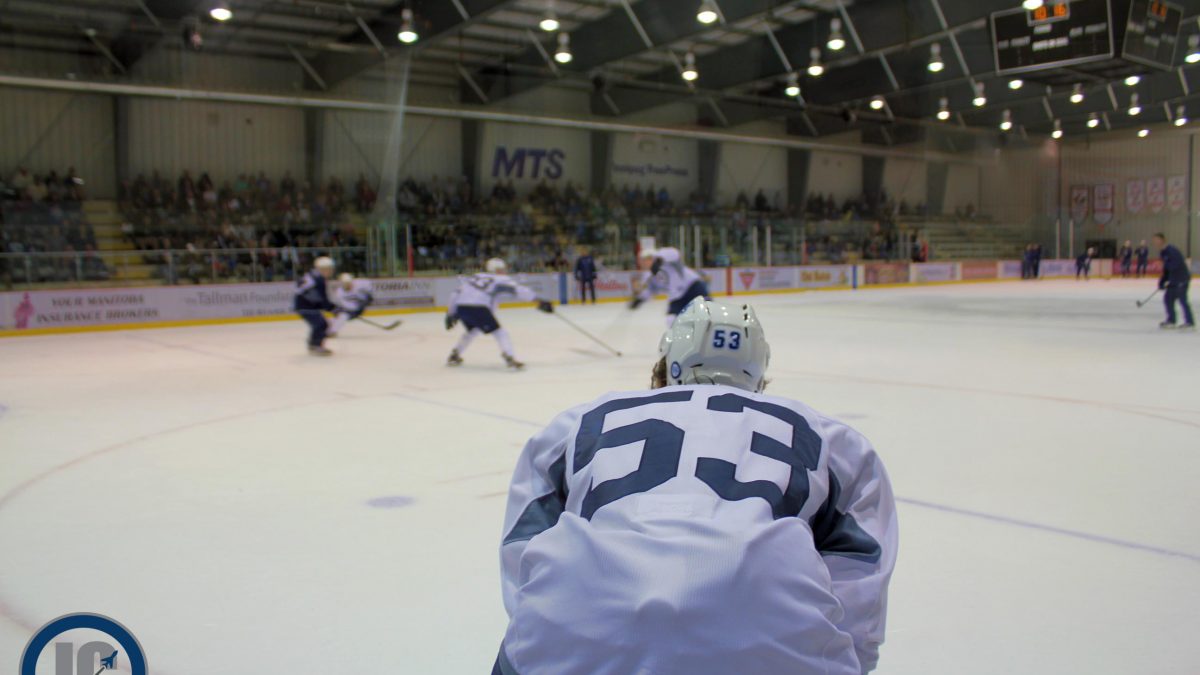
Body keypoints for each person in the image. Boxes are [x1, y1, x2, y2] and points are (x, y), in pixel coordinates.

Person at [494, 298, 898, 675]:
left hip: (568, 636)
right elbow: (859, 580)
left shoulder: (577, 424)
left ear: (667, 362)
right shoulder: (835, 440)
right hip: (775, 644)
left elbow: (523, 549)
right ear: (759, 373)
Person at [445, 258, 554, 369]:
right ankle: (509, 357)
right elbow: (518, 290)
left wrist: (450, 314)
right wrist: (539, 301)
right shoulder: (500, 279)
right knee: (500, 332)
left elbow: (455, 294)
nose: (504, 271)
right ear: (496, 270)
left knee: (472, 331)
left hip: (461, 307)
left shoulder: (475, 276)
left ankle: (455, 354)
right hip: (479, 308)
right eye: (501, 269)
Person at [630, 246, 709, 326]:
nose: (643, 263)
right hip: (677, 296)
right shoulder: (648, 276)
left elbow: (674, 253)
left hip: (693, 287)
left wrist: (659, 261)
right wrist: (640, 299)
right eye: (642, 261)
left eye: (646, 260)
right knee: (671, 319)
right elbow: (650, 290)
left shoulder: (668, 262)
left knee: (707, 317)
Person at [294, 256, 338, 356]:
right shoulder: (319, 280)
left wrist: (332, 308)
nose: (331, 271)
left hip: (305, 306)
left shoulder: (312, 275)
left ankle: (313, 344)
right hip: (306, 307)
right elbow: (322, 298)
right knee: (321, 324)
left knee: (320, 324)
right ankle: (316, 345)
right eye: (330, 268)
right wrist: (333, 309)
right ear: (323, 269)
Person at [1153, 233, 1194, 329]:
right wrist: (1162, 281)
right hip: (1173, 281)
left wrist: (1164, 264)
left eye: (1157, 240)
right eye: (1154, 240)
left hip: (1181, 279)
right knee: (1168, 299)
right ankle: (1171, 321)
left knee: (1183, 301)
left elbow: (1176, 264)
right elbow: (1167, 270)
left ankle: (1190, 322)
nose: (1155, 242)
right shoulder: (1163, 252)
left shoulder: (1172, 250)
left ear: (1162, 240)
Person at [328, 273, 374, 337]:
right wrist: (337, 311)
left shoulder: (359, 288)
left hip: (357, 310)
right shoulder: (339, 292)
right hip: (347, 311)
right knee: (332, 319)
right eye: (346, 283)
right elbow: (338, 305)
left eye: (349, 283)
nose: (348, 285)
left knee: (343, 316)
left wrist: (364, 304)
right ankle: (328, 330)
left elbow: (368, 298)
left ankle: (333, 332)